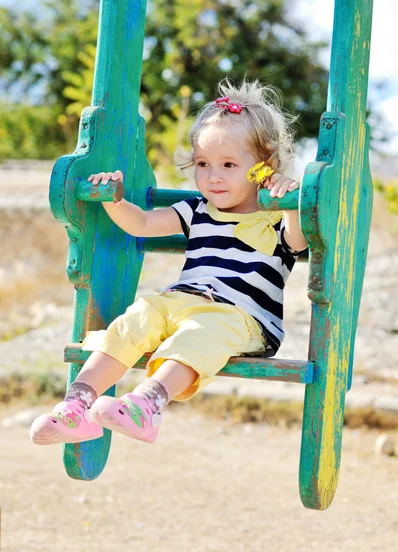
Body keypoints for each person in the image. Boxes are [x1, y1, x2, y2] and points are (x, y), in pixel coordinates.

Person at [30, 79, 307, 446]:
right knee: (134, 320)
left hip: (241, 318)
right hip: (180, 302)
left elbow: (298, 241)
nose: (213, 176)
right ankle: (75, 408)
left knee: (197, 337)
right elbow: (142, 223)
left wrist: (289, 202)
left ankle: (147, 405)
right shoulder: (196, 209)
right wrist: (114, 201)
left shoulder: (276, 216)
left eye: (228, 164)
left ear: (262, 168)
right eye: (203, 163)